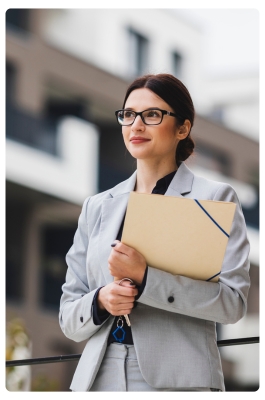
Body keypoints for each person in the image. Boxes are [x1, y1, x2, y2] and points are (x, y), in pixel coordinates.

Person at [59, 73, 250, 392]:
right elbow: (68, 314)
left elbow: (233, 303)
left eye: (152, 115)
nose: (136, 125)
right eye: (128, 115)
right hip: (98, 377)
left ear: (183, 128)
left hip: (178, 380)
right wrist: (101, 299)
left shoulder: (215, 198)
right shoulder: (96, 206)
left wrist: (146, 279)